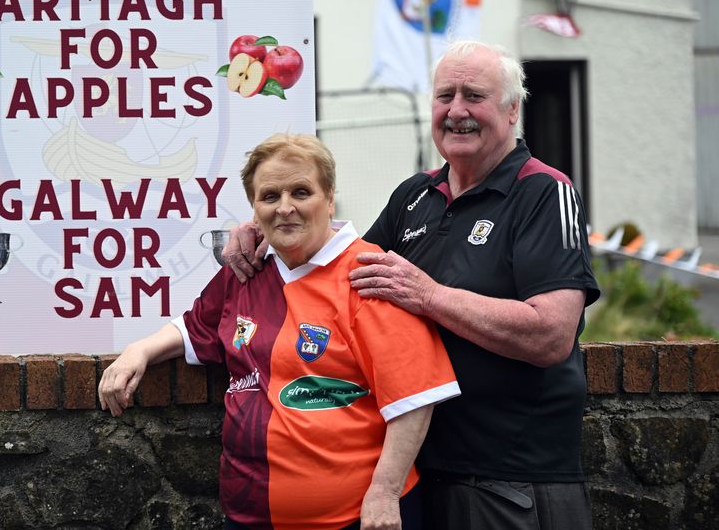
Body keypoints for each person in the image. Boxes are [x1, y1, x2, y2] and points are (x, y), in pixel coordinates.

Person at [224, 41, 601, 530]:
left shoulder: (546, 192)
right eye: (445, 96)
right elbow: (336, 268)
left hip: (511, 481)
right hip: (420, 475)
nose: (457, 110)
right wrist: (263, 228)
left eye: (474, 96)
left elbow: (551, 334)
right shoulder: (415, 195)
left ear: (512, 110)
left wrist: (430, 296)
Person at [98, 133, 460, 530]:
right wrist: (139, 350)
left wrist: (385, 493)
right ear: (254, 209)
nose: (285, 208)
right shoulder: (245, 271)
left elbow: (415, 398)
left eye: (301, 192)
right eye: (269, 196)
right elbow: (196, 327)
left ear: (330, 198)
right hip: (247, 516)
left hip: (355, 518)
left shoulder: (370, 276)